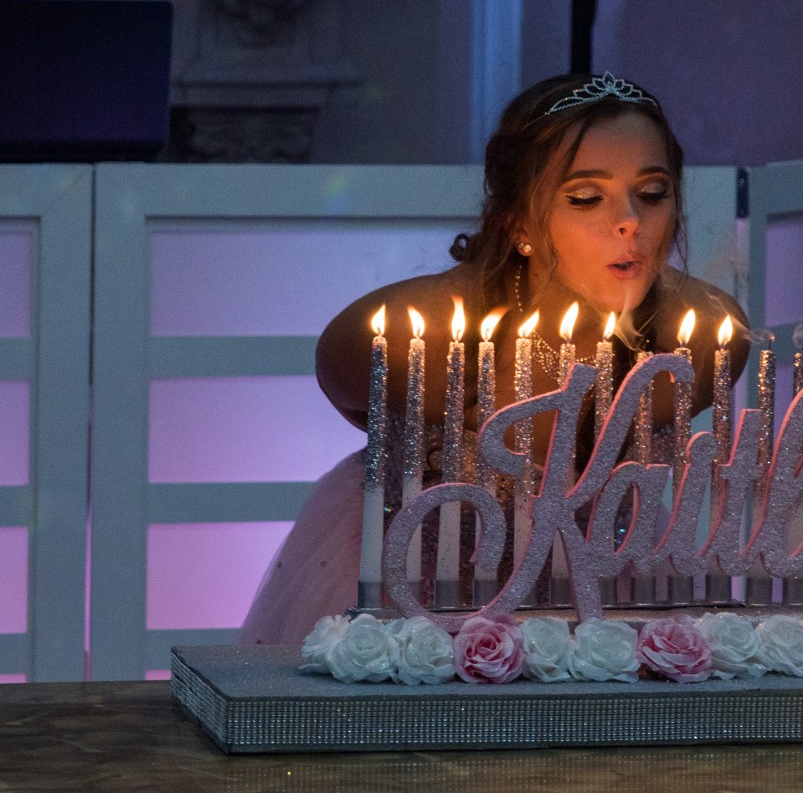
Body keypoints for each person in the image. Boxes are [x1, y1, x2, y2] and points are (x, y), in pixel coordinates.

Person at [239, 73, 750, 645]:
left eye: (653, 192)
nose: (629, 220)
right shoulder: (408, 336)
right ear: (520, 222)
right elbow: (356, 399)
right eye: (586, 197)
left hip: (605, 605)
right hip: (414, 605)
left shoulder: (703, 338)